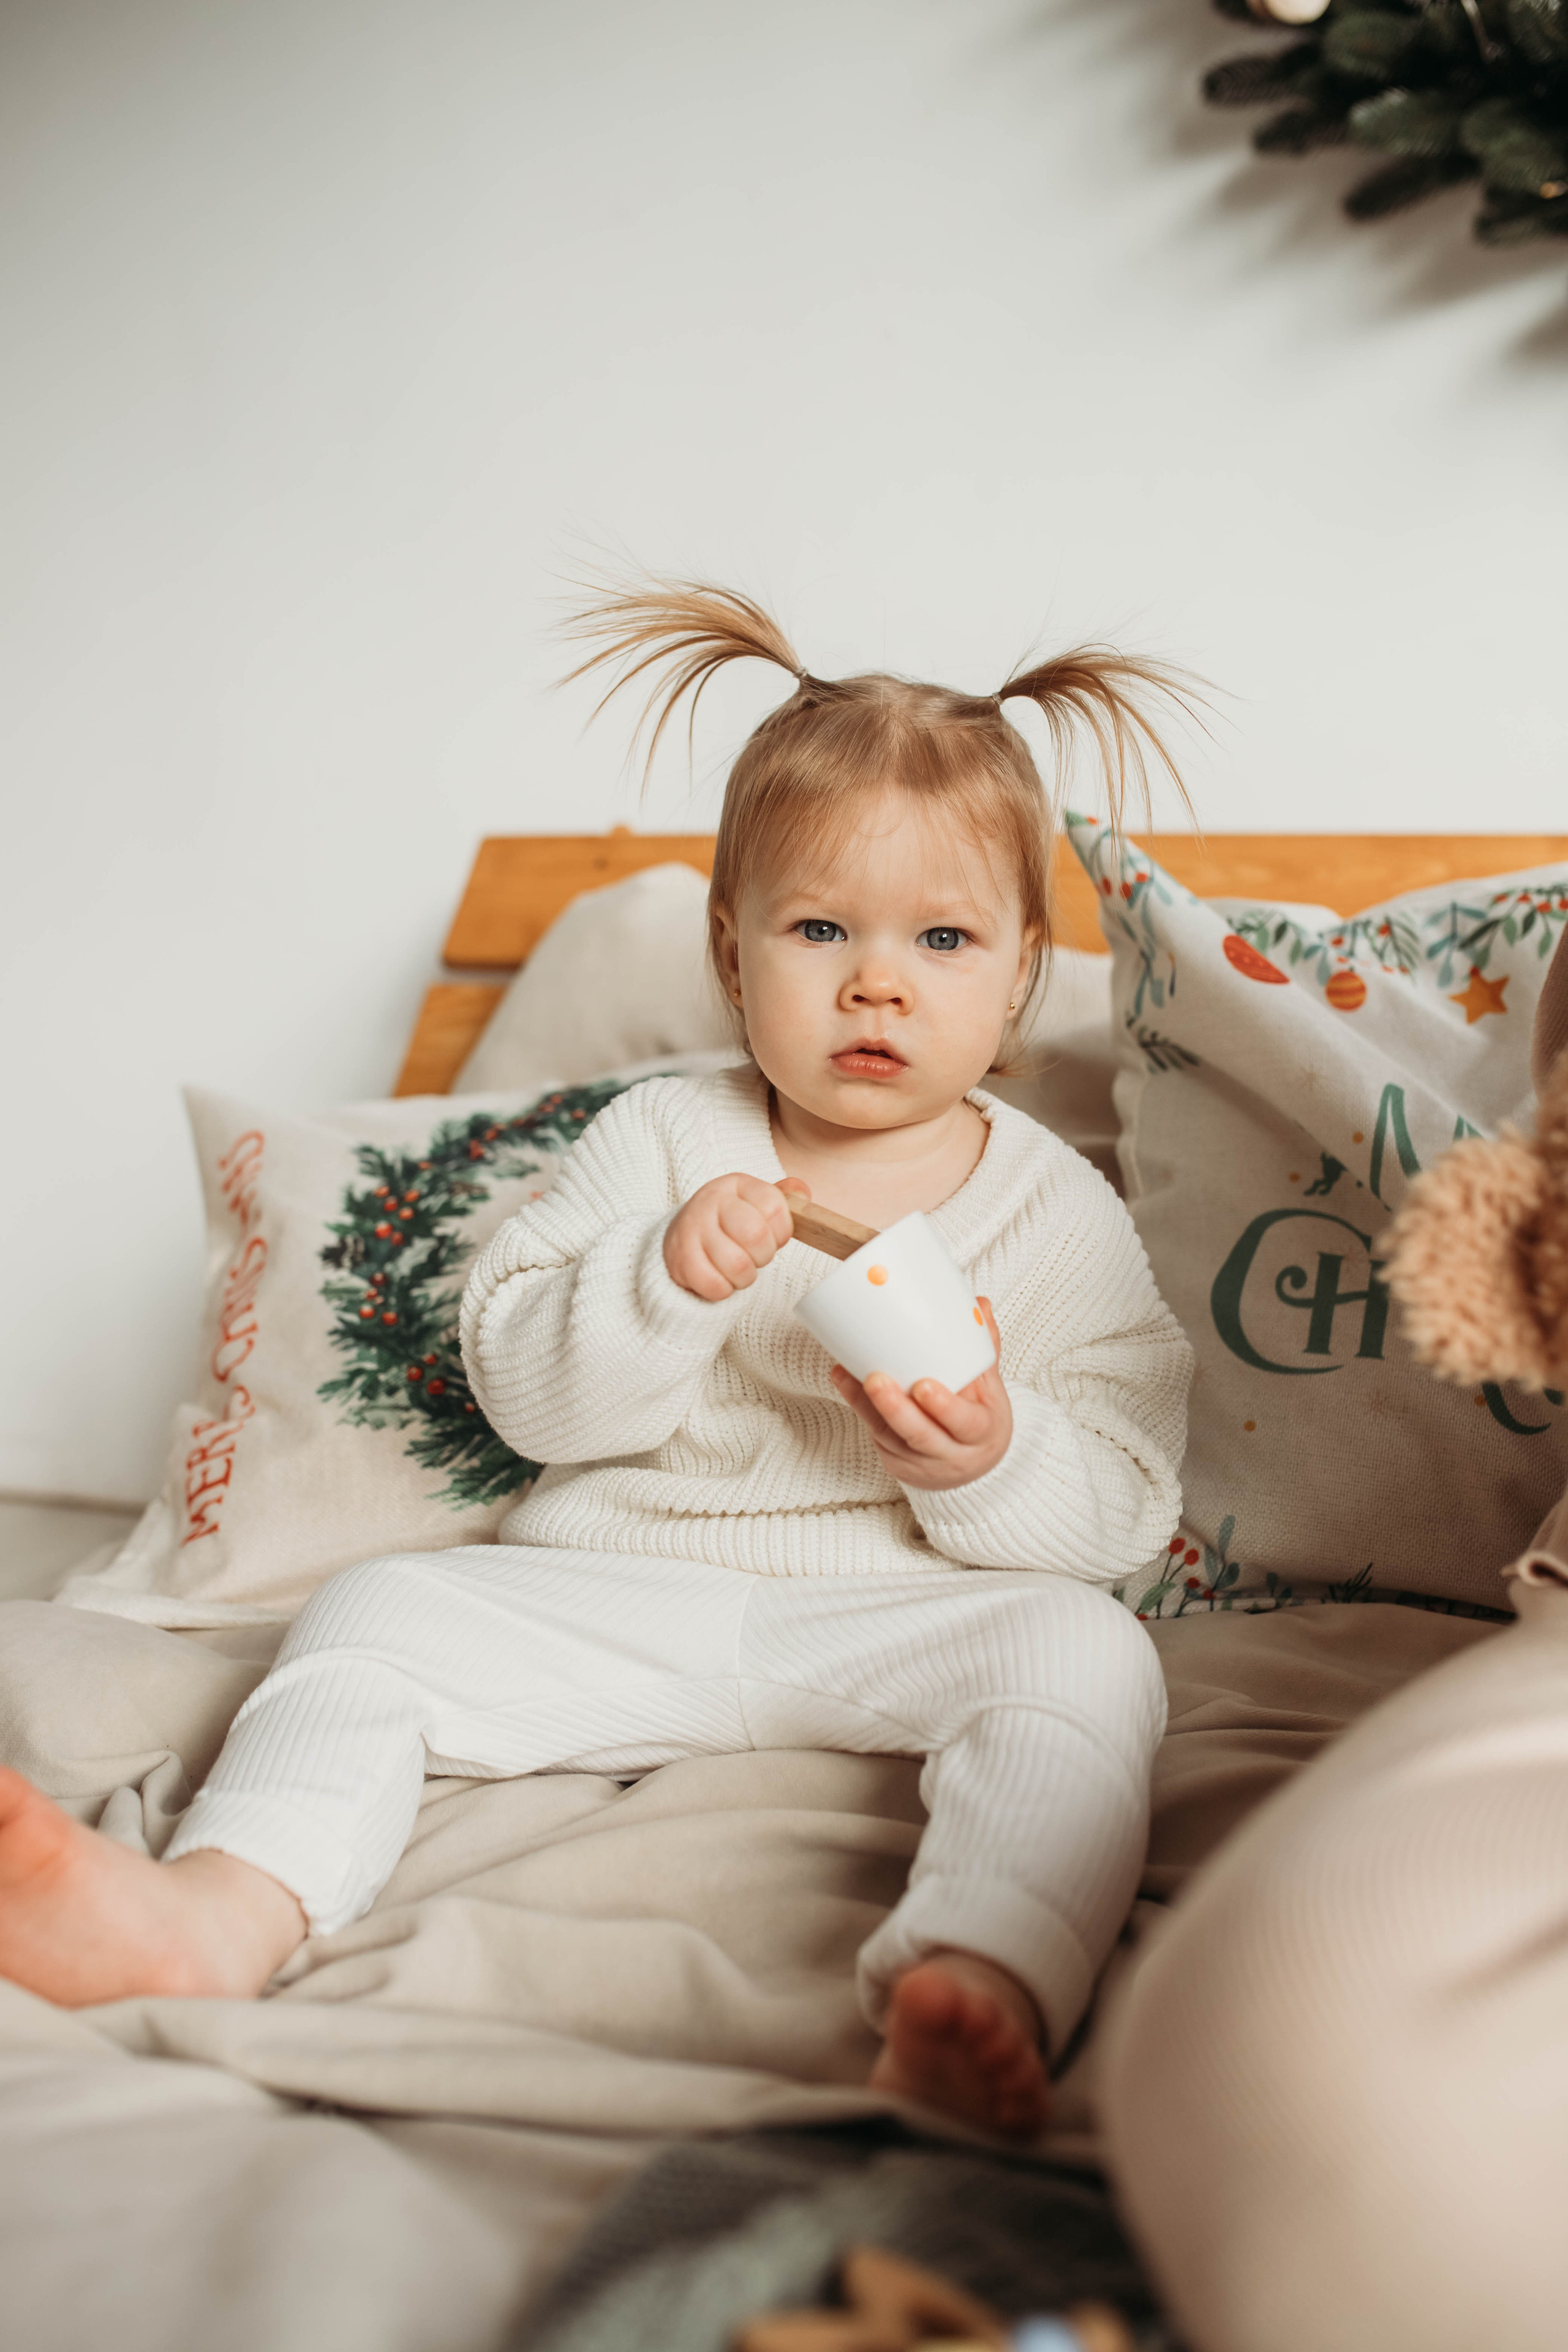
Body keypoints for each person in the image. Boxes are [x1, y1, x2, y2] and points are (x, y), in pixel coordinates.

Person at [0, 579, 1196, 2138]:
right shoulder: (657, 1139)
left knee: (1089, 1664)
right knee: (376, 1614)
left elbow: (1120, 1491)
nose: (874, 983)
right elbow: (526, 1391)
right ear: (731, 949)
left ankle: (973, 1979)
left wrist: (989, 1459)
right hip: (621, 1592)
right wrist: (656, 1284)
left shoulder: (1053, 1206)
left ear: (1023, 970)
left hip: (908, 1611)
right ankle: (221, 1909)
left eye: (941, 938)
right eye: (819, 929)